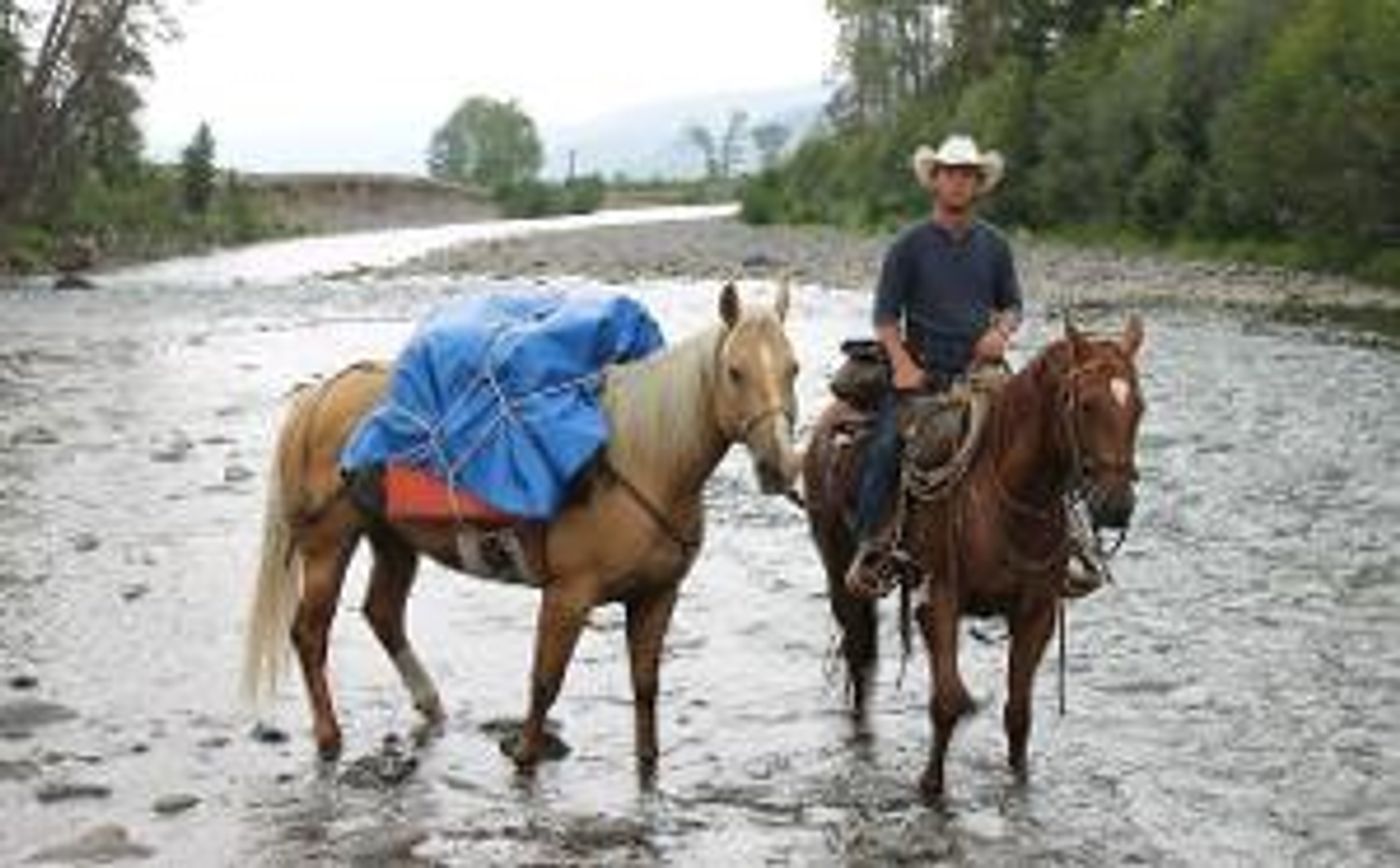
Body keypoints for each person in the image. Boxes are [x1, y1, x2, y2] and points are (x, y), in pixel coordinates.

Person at [845, 134, 1022, 598]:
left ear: (978, 184)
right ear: (935, 181)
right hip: (922, 374)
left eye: (968, 175)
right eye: (951, 174)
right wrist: (902, 365)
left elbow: (1013, 305)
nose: (959, 183)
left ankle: (1065, 547)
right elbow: (885, 317)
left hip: (980, 373)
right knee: (886, 446)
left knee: (1042, 432)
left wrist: (1000, 333)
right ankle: (872, 547)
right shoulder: (908, 246)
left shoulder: (995, 246)